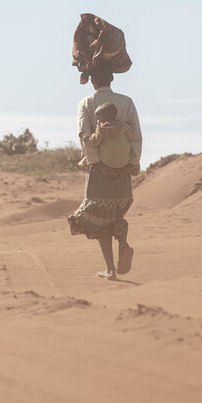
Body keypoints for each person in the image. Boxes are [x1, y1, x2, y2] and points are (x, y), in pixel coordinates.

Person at [68, 61, 142, 280]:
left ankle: (110, 269)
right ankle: (124, 243)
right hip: (123, 170)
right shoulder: (126, 102)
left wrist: (96, 163)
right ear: (112, 79)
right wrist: (133, 162)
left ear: (92, 81)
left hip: (99, 171)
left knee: (100, 217)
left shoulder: (86, 103)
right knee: (117, 212)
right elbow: (136, 135)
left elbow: (85, 136)